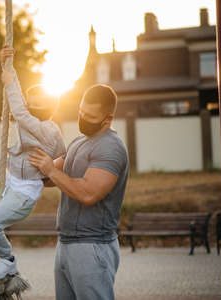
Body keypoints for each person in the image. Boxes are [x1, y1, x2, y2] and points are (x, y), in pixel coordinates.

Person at [0, 45, 66, 280]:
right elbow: (18, 107)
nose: (28, 105)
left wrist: (11, 79)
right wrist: (6, 65)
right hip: (7, 186)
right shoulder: (28, 124)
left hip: (24, 195)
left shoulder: (47, 129)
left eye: (34, 102)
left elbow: (20, 110)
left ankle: (7, 260)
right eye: (30, 100)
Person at [28, 84, 129, 300]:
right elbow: (49, 176)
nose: (82, 118)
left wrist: (49, 169)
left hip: (92, 247)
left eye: (90, 115)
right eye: (81, 111)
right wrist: (27, 160)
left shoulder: (111, 148)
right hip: (65, 243)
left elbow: (88, 194)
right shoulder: (78, 142)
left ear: (108, 119)